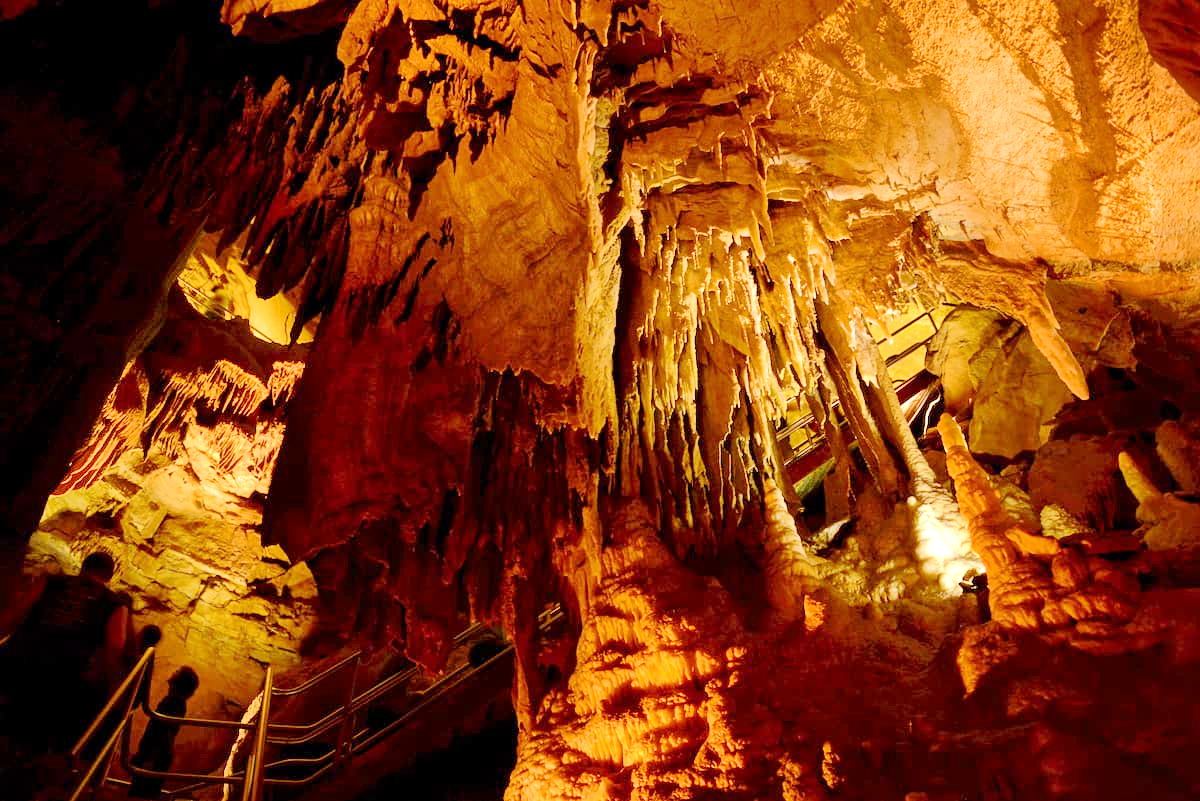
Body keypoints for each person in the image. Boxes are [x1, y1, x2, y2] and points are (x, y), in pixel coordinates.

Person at [0, 551, 133, 751]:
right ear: (109, 577)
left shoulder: (51, 582)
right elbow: (115, 647)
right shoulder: (114, 604)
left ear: (83, 567)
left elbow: (17, 612)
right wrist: (114, 690)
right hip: (61, 678)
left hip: (19, 660)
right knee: (30, 741)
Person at [129, 667, 199, 799]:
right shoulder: (176, 702)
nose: (173, 672)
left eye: (177, 672)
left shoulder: (173, 702)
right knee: (144, 793)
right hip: (156, 755)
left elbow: (163, 732)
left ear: (180, 682)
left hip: (154, 755)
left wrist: (149, 758)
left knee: (141, 795)